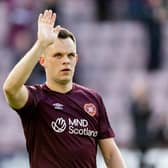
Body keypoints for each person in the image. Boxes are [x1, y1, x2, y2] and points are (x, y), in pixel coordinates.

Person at [3, 10, 127, 168]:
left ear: (76, 59)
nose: (66, 61)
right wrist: (41, 45)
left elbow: (110, 154)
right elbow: (10, 89)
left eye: (70, 55)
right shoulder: (36, 99)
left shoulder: (93, 99)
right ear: (43, 61)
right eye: (58, 55)